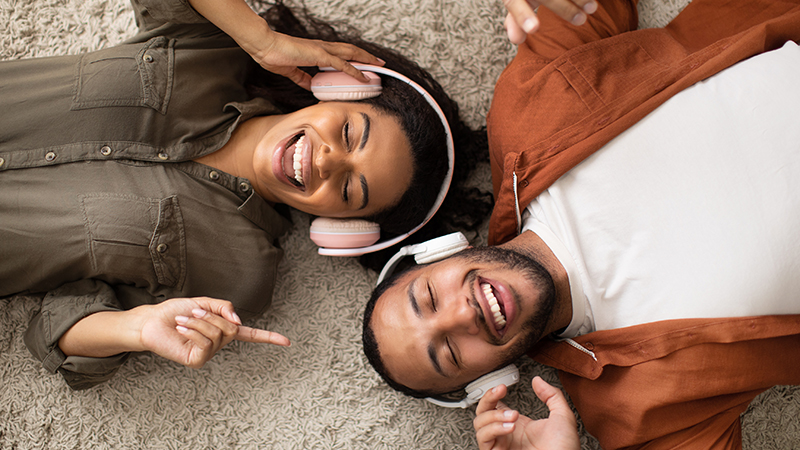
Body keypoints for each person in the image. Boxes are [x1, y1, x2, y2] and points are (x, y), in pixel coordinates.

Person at [362, 0, 800, 448]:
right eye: (450, 353)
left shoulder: (525, 112)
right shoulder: (634, 411)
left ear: (442, 251)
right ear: (490, 378)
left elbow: (585, 8)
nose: (462, 315)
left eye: (431, 297)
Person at [0, 0, 488, 390]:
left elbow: (56, 329)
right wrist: (262, 38)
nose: (325, 161)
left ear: (342, 228)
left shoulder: (239, 272)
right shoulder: (213, 46)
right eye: (347, 132)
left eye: (348, 189)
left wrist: (139, 328)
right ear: (338, 89)